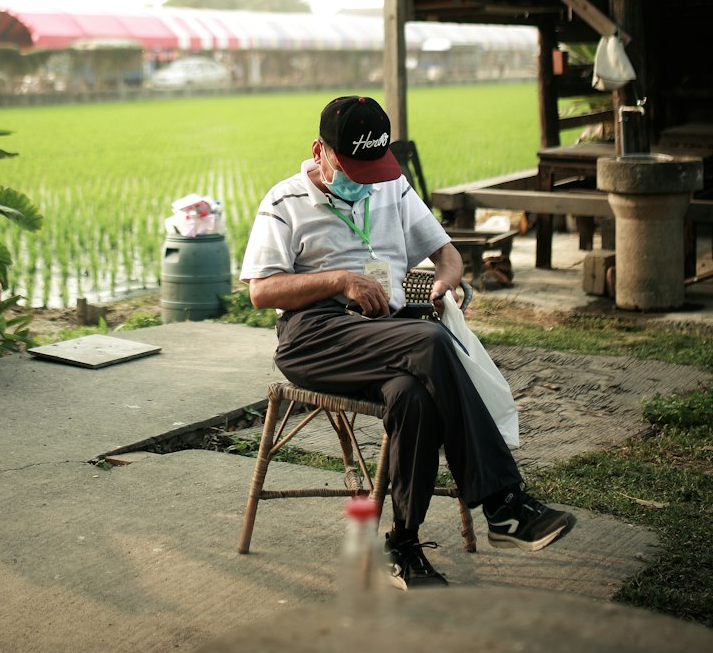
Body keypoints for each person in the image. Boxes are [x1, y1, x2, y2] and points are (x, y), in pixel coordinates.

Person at [239, 95, 575, 587]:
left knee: (412, 397)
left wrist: (446, 282)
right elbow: (260, 291)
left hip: (387, 333)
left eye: (374, 166)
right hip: (316, 336)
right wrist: (339, 281)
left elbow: (448, 255)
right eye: (354, 167)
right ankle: (503, 503)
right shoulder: (284, 201)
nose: (366, 179)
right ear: (320, 150)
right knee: (429, 343)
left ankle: (403, 542)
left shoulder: (392, 185)